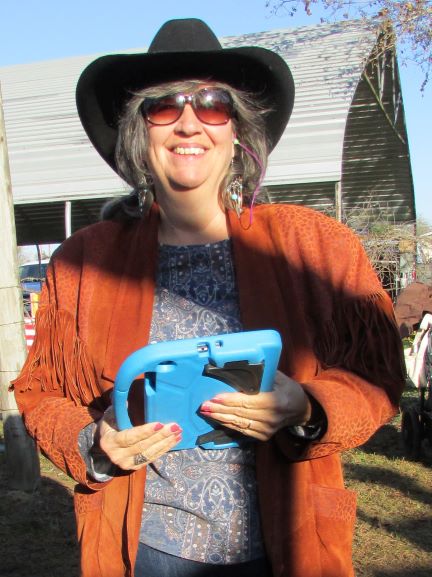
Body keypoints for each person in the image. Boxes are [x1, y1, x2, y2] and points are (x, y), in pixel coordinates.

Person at [12, 18, 406, 577]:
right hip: (149, 549)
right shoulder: (85, 260)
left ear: (237, 129)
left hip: (289, 546)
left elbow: (377, 376)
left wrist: (308, 407)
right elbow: (43, 391)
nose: (189, 122)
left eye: (213, 104)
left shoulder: (316, 246)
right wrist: (93, 444)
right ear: (139, 131)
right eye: (164, 106)